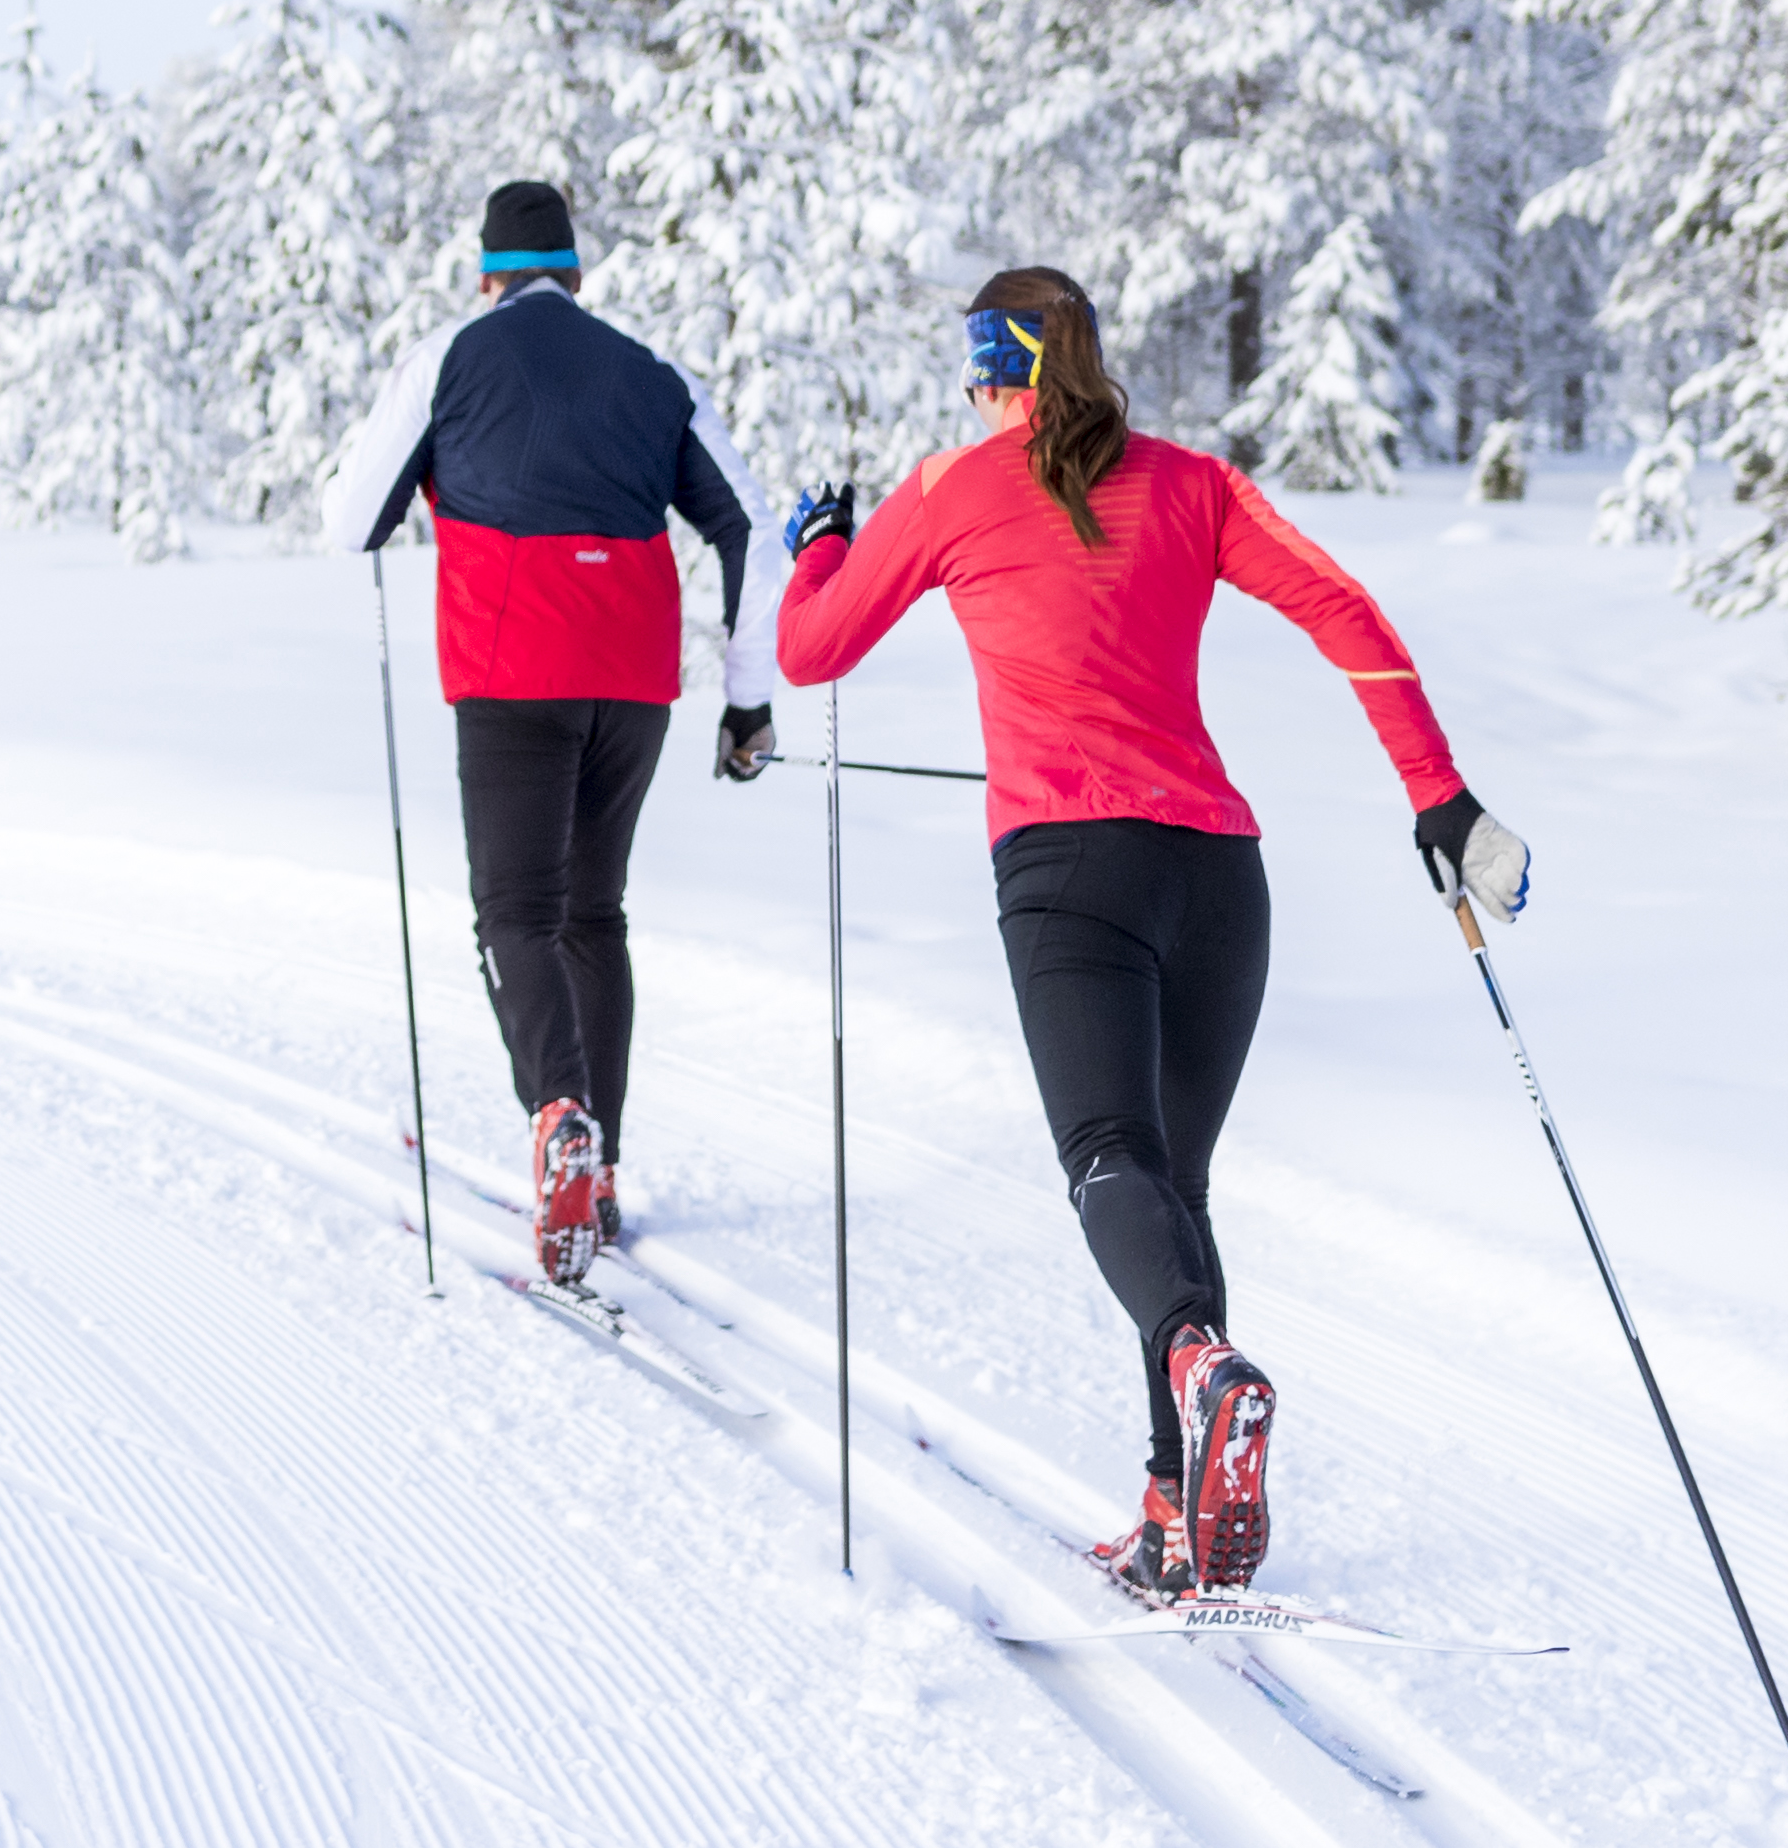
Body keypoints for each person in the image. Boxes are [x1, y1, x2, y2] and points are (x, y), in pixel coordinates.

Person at [769, 264, 1533, 1600]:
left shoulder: (951, 491)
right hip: (1220, 878)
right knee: (1175, 1187)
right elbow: (1345, 613)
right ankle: (1175, 1507)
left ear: (991, 377)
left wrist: (817, 550)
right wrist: (1441, 796)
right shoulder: (1191, 484)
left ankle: (1197, 1362)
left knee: (1107, 1163)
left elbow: (814, 651)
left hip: (1070, 869)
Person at [337, 179, 781, 1289]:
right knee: (594, 914)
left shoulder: (449, 357)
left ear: (486, 273)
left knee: (515, 915)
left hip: (508, 669)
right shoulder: (652, 373)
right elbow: (752, 529)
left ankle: (558, 1117)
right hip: (632, 680)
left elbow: (351, 521)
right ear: (577, 271)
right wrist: (747, 695)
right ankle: (603, 1163)